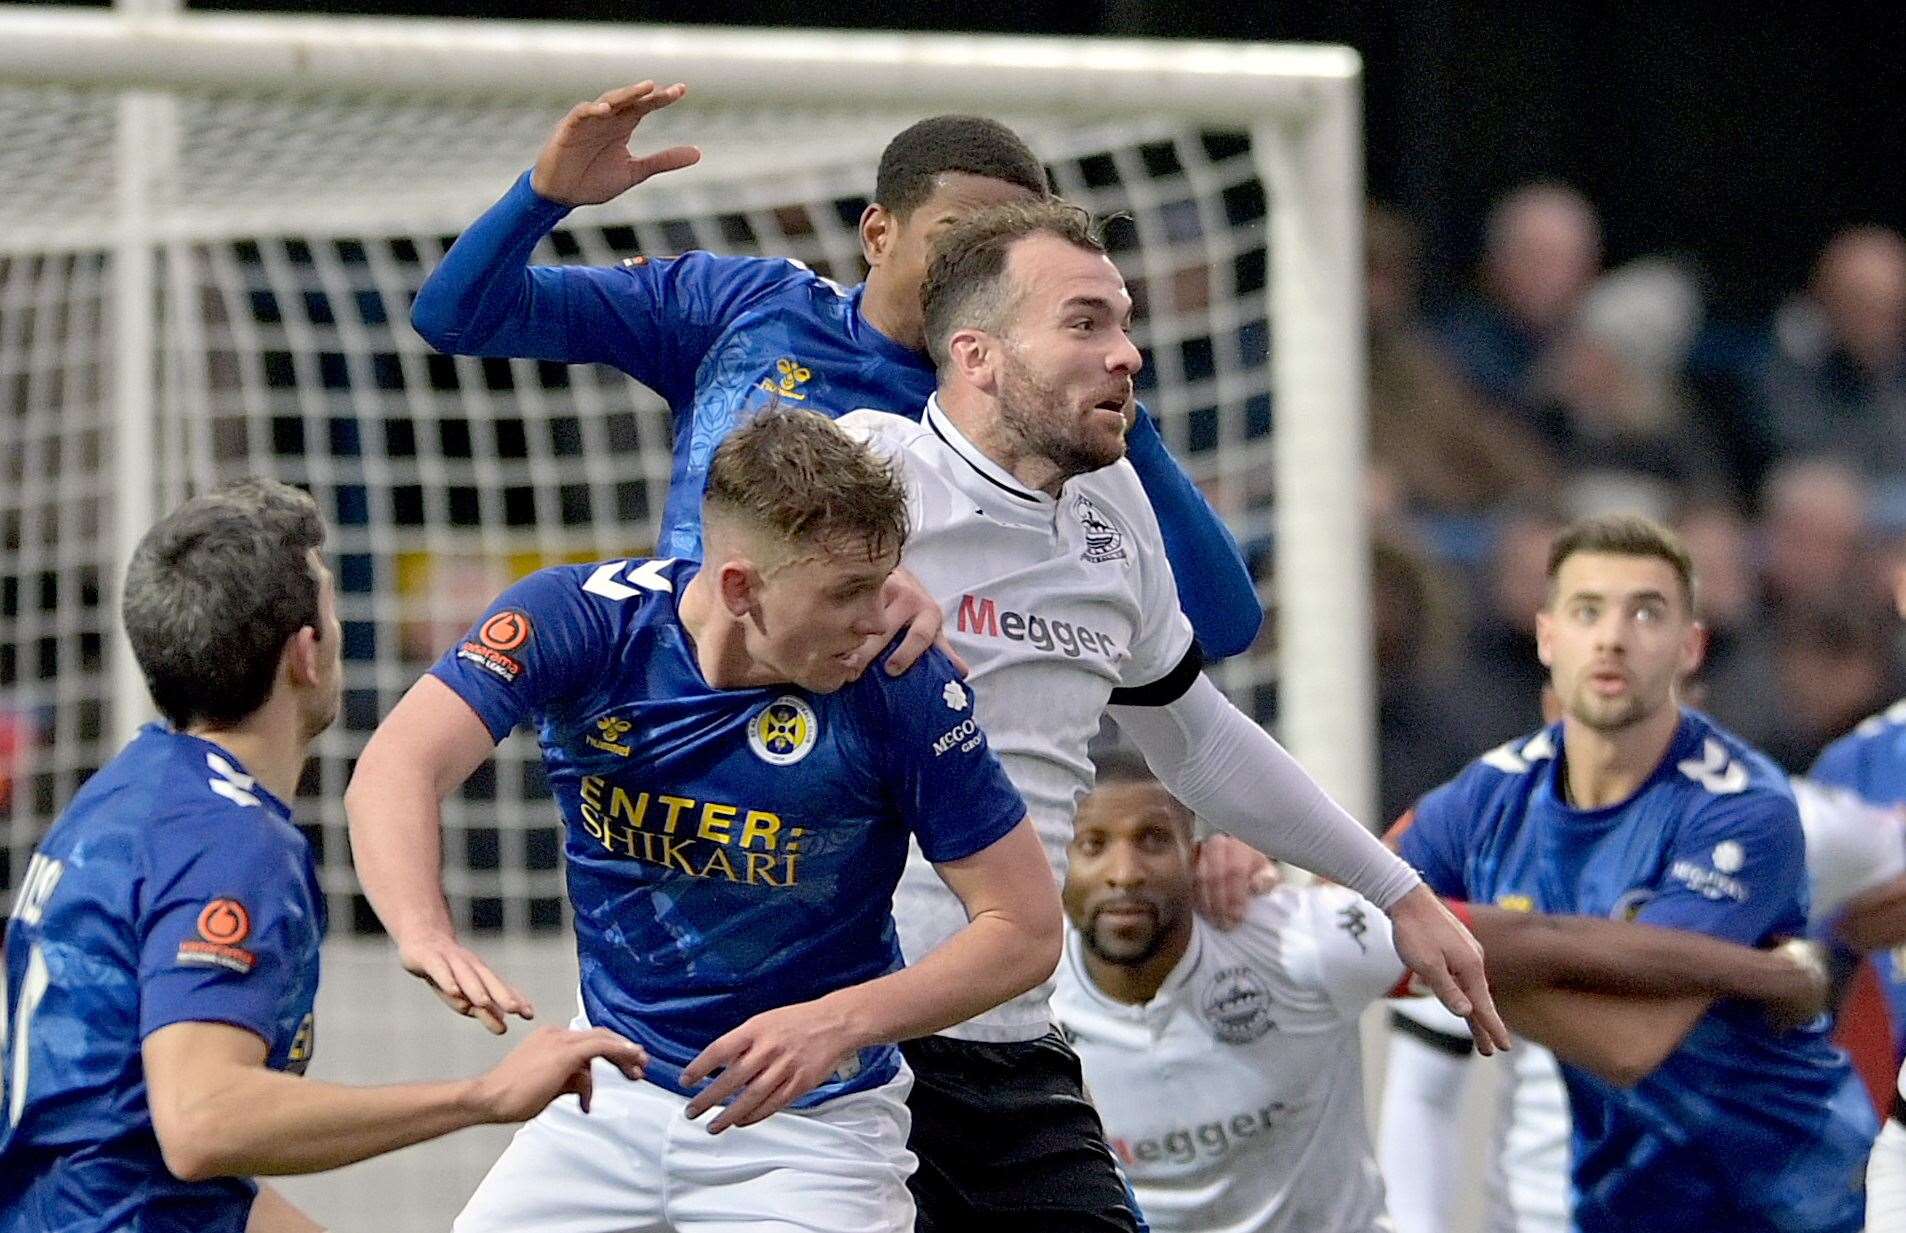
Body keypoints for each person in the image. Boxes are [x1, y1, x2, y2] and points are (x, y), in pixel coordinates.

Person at [816, 198, 1503, 1232]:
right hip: (846, 1038)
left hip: (1003, 1037)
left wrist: (1397, 891)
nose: (1127, 355)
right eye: (1086, 323)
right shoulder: (870, 470)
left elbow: (1198, 739)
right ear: (977, 355)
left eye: (1126, 323)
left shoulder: (1113, 511)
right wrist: (842, 587)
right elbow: (697, 618)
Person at [346, 408, 1062, 1232]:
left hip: (807, 1131)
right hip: (608, 1088)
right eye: (845, 592)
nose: (880, 616)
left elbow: (1026, 926)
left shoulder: (900, 681)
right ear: (739, 588)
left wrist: (840, 1021)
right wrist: (423, 928)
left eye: (882, 580)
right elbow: (397, 766)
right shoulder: (582, 622)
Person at [408, 81, 1262, 661]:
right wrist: (543, 197)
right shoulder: (739, 309)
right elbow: (455, 315)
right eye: (953, 238)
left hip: (879, 757)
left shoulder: (1021, 408)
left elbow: (1220, 627)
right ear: (877, 232)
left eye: (1002, 256)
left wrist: (1115, 411)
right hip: (677, 701)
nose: (976, 271)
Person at [0, 479, 646, 1233]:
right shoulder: (230, 840)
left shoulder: (128, 793)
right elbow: (202, 1121)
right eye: (330, 603)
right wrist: (480, 1096)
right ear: (307, 654)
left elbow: (134, 1142)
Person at [1055, 752, 1831, 1233]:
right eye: (1094, 845)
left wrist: (1758, 974)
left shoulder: (1298, 941)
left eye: (1153, 840)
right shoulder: (1021, 991)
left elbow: (1550, 943)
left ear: (1198, 855)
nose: (1124, 871)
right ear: (1057, 859)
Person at [1392, 512, 1877, 1233]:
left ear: (1690, 651)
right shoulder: (1478, 801)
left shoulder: (1755, 808)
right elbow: (1347, 922)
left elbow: (1631, 1044)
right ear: (1546, 637)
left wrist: (1449, 945)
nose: (1613, 637)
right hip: (1567, 1207)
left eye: (1645, 612)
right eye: (1587, 611)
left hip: (1765, 1208)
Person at [1380, 773, 1906, 1233]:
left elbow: (1888, 879)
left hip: (1757, 1204)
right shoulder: (1478, 844)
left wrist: (1840, 950)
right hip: (1550, 1215)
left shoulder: (1787, 820)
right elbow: (1425, 1094)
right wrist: (1776, 977)